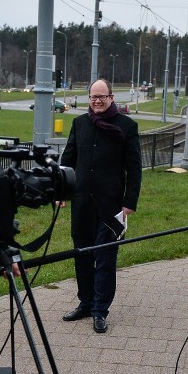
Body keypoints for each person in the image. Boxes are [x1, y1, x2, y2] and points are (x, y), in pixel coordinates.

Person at [59, 78, 142, 334]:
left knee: (105, 258)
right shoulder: (79, 123)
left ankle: (100, 311)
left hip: (111, 206)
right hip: (82, 202)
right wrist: (61, 191)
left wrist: (129, 202)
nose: (96, 101)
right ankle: (85, 302)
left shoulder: (127, 126)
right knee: (82, 255)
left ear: (111, 97)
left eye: (101, 97)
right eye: (93, 97)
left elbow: (134, 168)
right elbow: (68, 160)